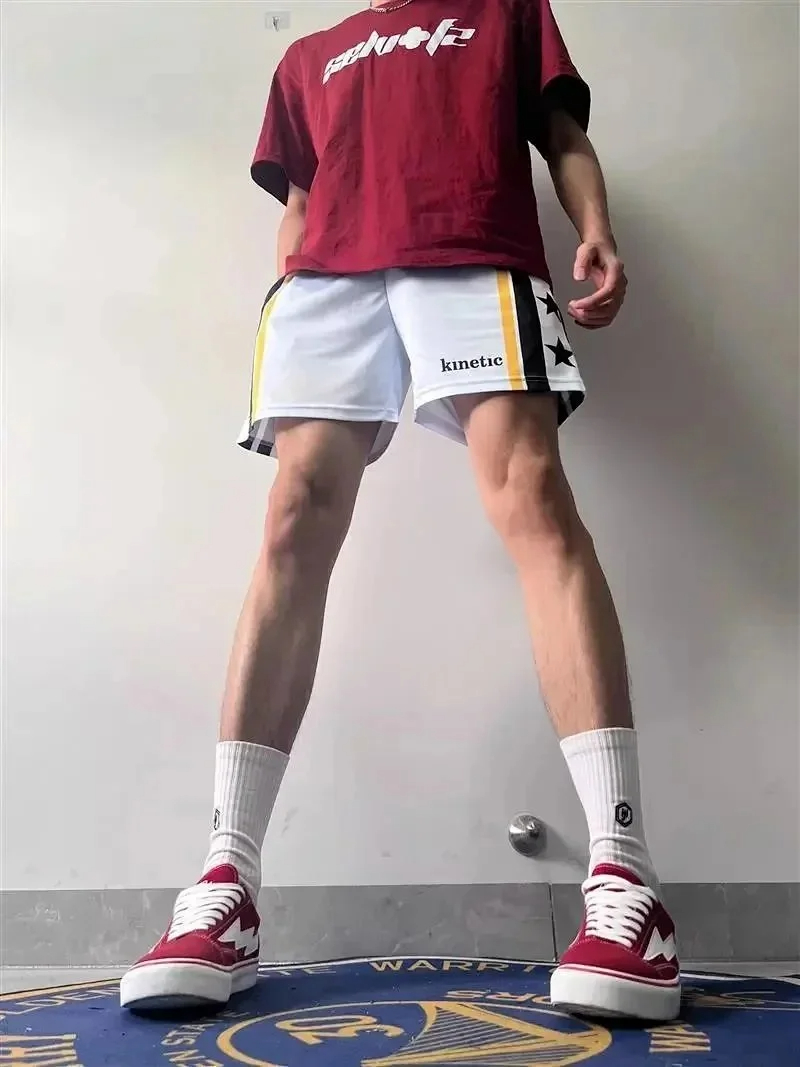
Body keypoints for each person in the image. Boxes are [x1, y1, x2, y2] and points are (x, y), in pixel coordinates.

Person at [120, 0, 680, 1022]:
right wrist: (295, 286)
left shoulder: (503, 12)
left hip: (472, 250)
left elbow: (561, 135)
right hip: (326, 285)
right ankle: (225, 883)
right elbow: (299, 198)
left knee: (532, 499)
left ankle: (624, 877)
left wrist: (596, 228)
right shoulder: (309, 57)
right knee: (292, 521)